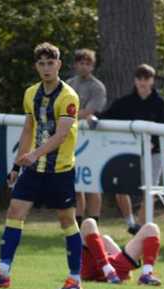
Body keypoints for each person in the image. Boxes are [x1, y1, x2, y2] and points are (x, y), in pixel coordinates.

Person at [0, 42, 82, 289]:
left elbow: (61, 135)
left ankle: (74, 279)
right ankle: (3, 272)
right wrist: (16, 166)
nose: (46, 68)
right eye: (41, 64)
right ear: (36, 66)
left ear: (59, 64)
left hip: (60, 170)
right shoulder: (30, 93)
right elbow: (28, 130)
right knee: (14, 211)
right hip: (34, 169)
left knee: (66, 220)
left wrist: (33, 154)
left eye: (50, 63)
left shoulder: (68, 96)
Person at [99, 64, 164, 234]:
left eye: (146, 78)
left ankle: (140, 225)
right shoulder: (125, 102)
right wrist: (92, 117)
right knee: (120, 189)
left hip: (153, 154)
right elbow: (106, 116)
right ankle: (131, 223)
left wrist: (154, 143)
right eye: (139, 78)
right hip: (128, 154)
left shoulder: (161, 105)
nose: (142, 82)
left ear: (152, 80)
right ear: (135, 80)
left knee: (150, 190)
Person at [68, 48, 107, 226]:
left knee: (93, 184)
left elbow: (90, 110)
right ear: (76, 65)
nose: (84, 66)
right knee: (76, 185)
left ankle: (93, 225)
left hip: (92, 141)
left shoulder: (97, 87)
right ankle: (77, 226)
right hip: (72, 139)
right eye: (81, 63)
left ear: (92, 66)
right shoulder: (68, 84)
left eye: (88, 63)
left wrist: (71, 115)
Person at [79, 218, 161, 285]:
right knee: (89, 222)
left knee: (151, 227)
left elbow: (118, 255)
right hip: (93, 269)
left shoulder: (104, 240)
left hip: (115, 269)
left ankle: (146, 274)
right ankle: (107, 270)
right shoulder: (94, 240)